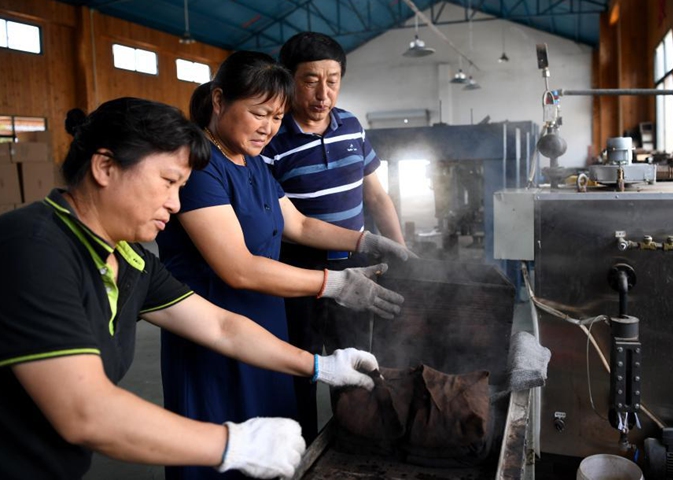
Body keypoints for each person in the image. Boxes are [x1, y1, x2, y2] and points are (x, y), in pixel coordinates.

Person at [0, 97, 381, 480]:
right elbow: (85, 411)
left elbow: (222, 327)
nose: (175, 203)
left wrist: (320, 365)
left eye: (181, 187)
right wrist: (230, 444)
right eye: (167, 182)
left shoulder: (132, 261)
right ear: (105, 167)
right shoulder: (34, 248)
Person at [155, 51, 413, 479]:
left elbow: (299, 224)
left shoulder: (252, 162)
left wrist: (367, 239)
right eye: (259, 114)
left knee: (270, 444)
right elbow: (237, 267)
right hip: (213, 333)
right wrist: (334, 283)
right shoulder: (201, 168)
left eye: (276, 117)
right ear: (219, 101)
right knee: (222, 450)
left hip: (263, 328)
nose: (268, 128)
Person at [262, 32, 410, 442]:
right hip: (299, 270)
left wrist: (400, 248)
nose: (323, 93)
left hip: (358, 264)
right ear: (288, 80)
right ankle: (303, 447)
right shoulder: (271, 140)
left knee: (356, 356)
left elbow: (376, 195)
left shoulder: (351, 126)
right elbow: (286, 221)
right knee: (304, 364)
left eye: (332, 79)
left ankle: (354, 439)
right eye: (310, 80)